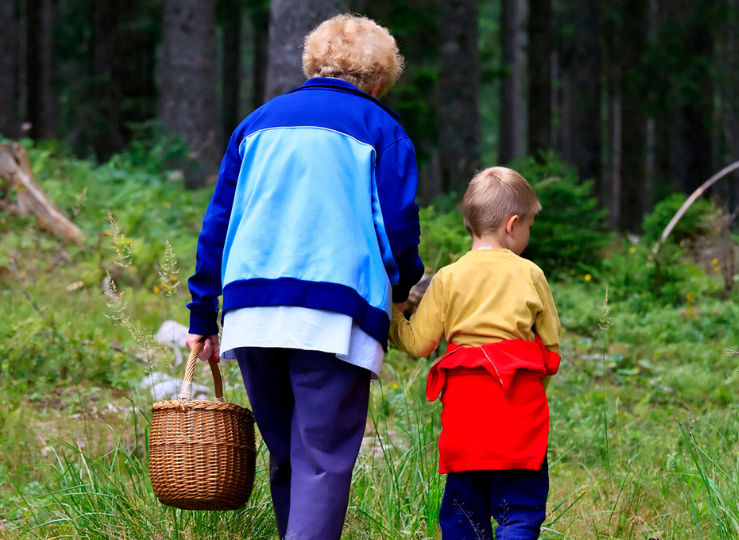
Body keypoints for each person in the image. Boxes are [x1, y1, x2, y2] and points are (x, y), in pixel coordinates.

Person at [184, 14, 424, 540]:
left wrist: (203, 311)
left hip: (251, 313)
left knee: (288, 452)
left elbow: (218, 223)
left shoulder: (257, 123)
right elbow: (398, 226)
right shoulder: (381, 129)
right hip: (332, 315)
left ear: (313, 64)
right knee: (321, 457)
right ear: (380, 80)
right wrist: (406, 289)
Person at [389, 167, 562, 540]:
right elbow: (550, 348)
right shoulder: (530, 274)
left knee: (464, 514)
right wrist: (533, 386)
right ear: (512, 225)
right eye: (529, 225)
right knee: (519, 511)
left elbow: (419, 344)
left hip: (466, 414)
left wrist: (391, 314)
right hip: (520, 412)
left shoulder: (448, 278)